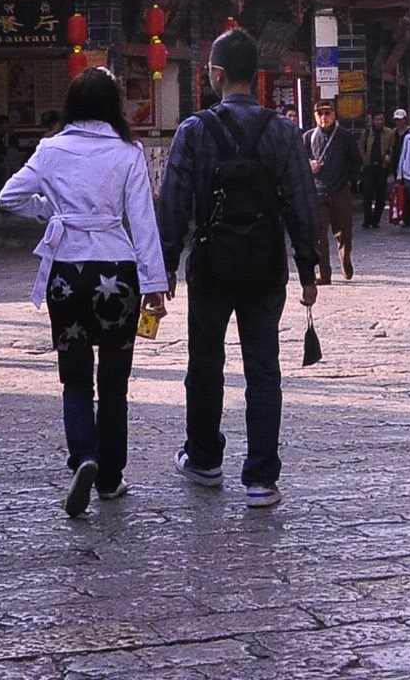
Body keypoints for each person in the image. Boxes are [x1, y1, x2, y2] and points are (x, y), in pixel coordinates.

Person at [157, 27, 321, 508]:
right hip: (266, 264)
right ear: (257, 75)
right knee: (263, 368)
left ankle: (205, 459)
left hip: (211, 262)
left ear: (217, 74)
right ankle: (261, 478)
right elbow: (301, 203)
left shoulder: (194, 130)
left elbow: (175, 203)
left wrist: (165, 264)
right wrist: (308, 269)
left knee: (205, 362)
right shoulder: (284, 132)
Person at [0, 67, 170, 516]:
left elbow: (8, 196)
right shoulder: (128, 152)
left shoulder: (50, 149)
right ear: (114, 106)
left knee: (75, 378)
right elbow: (143, 221)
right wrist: (155, 285)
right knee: (114, 384)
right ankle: (111, 478)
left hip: (67, 273)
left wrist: (50, 212)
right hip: (117, 267)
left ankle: (84, 456)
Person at [303, 99, 363, 282]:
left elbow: (356, 161)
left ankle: (345, 259)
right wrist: (309, 165)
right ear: (314, 116)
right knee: (319, 234)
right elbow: (297, 161)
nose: (323, 117)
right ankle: (324, 273)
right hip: (317, 191)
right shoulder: (308, 137)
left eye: (327, 113)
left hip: (340, 190)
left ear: (334, 115)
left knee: (344, 231)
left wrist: (350, 181)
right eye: (319, 114)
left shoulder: (345, 136)